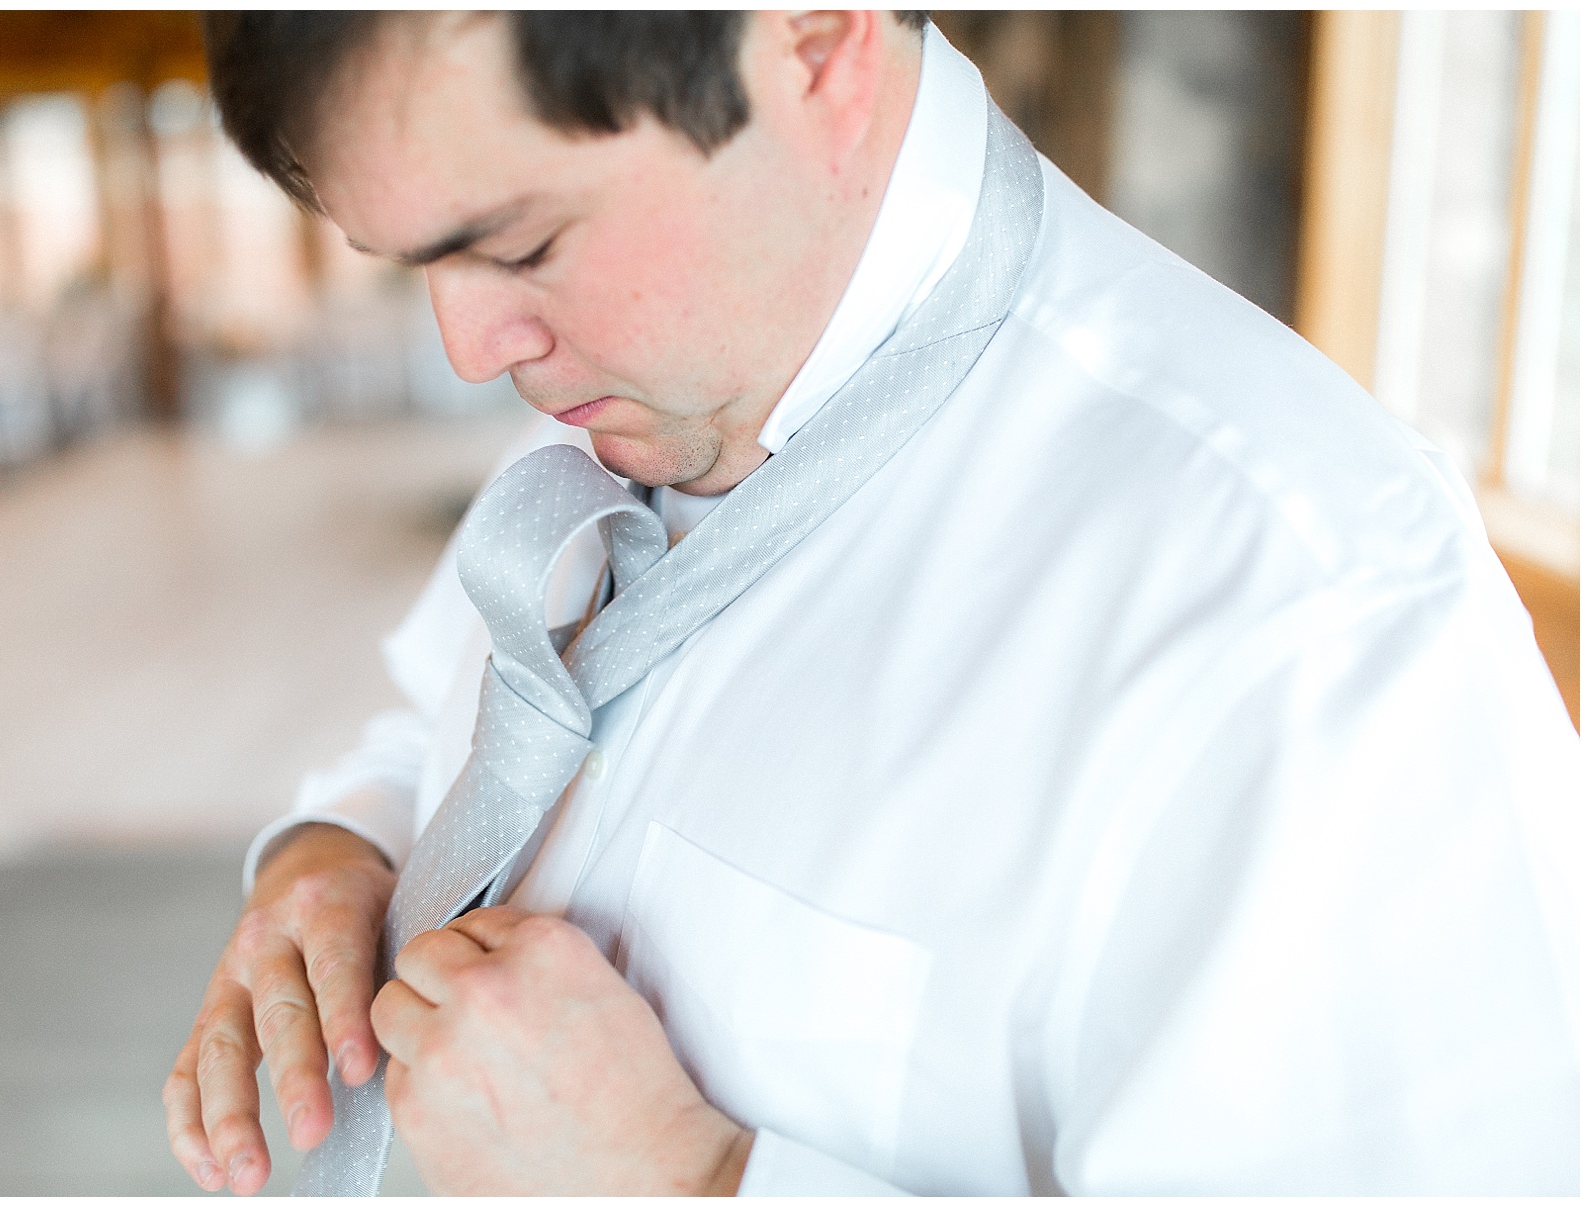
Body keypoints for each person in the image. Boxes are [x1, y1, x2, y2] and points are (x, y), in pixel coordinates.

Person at [166, 10, 1580, 1196]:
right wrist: (338, 860)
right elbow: (455, 710)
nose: (472, 350)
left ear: (817, 43)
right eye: (418, 262)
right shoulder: (642, 386)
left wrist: (689, 1175)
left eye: (521, 246)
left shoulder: (1314, 626)